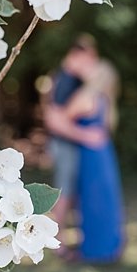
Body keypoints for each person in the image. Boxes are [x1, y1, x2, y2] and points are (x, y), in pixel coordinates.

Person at [46, 46, 125, 263]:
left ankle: (95, 249)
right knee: (102, 199)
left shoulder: (88, 97)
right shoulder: (105, 102)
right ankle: (106, 247)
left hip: (92, 155)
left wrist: (83, 136)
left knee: (93, 199)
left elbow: (57, 119)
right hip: (102, 154)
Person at [43, 36, 88, 246]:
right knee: (63, 192)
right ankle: (58, 240)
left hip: (65, 144)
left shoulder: (65, 77)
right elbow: (54, 118)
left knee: (69, 192)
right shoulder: (67, 79)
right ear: (75, 55)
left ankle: (65, 237)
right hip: (64, 144)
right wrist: (84, 135)